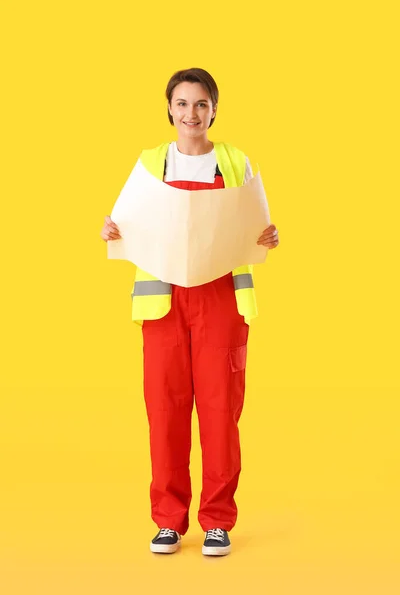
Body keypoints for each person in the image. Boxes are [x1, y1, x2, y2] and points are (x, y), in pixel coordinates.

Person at [101, 68, 279, 556]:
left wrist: (270, 237)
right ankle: (168, 521)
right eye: (182, 104)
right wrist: (110, 229)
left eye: (201, 104)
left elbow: (258, 224)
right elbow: (125, 219)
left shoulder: (237, 162)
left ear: (214, 109)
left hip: (221, 297)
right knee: (165, 412)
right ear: (170, 109)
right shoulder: (148, 163)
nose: (191, 113)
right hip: (163, 301)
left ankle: (218, 519)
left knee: (222, 412)